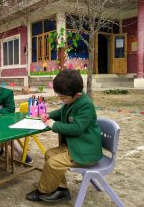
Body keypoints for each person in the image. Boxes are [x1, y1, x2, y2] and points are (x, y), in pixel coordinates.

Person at [26, 69, 102, 203]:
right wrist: (49, 115)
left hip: (85, 151)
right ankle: (61, 190)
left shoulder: (86, 105)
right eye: (59, 95)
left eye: (63, 97)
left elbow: (77, 129)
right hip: (76, 146)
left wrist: (53, 124)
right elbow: (62, 111)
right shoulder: (72, 101)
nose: (61, 99)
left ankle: (43, 191)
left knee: (53, 163)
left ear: (77, 95)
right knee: (49, 154)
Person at [0, 74, 33, 163]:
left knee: (7, 134)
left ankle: (22, 154)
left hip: (7, 120)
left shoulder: (7, 93)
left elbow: (11, 109)